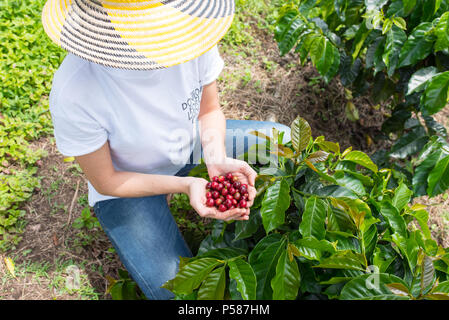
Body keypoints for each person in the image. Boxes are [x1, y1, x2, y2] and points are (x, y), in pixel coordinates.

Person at [42, 0, 291, 299]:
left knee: (283, 140)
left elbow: (208, 111)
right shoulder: (75, 91)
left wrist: (216, 158)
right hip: (126, 182)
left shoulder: (191, 35)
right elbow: (106, 180)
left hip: (188, 146)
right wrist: (185, 185)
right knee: (178, 293)